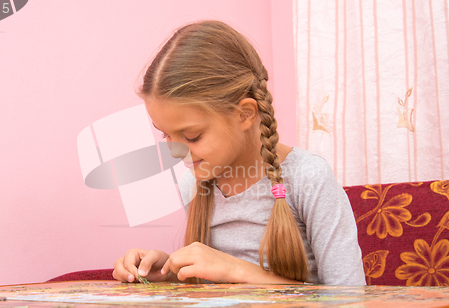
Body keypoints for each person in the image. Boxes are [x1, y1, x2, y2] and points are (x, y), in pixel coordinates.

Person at [112, 20, 365, 285]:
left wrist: (239, 272)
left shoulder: (307, 178)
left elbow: (351, 303)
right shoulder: (193, 183)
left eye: (191, 136)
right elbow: (216, 293)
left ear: (245, 114)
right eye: (165, 134)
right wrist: (170, 274)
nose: (176, 152)